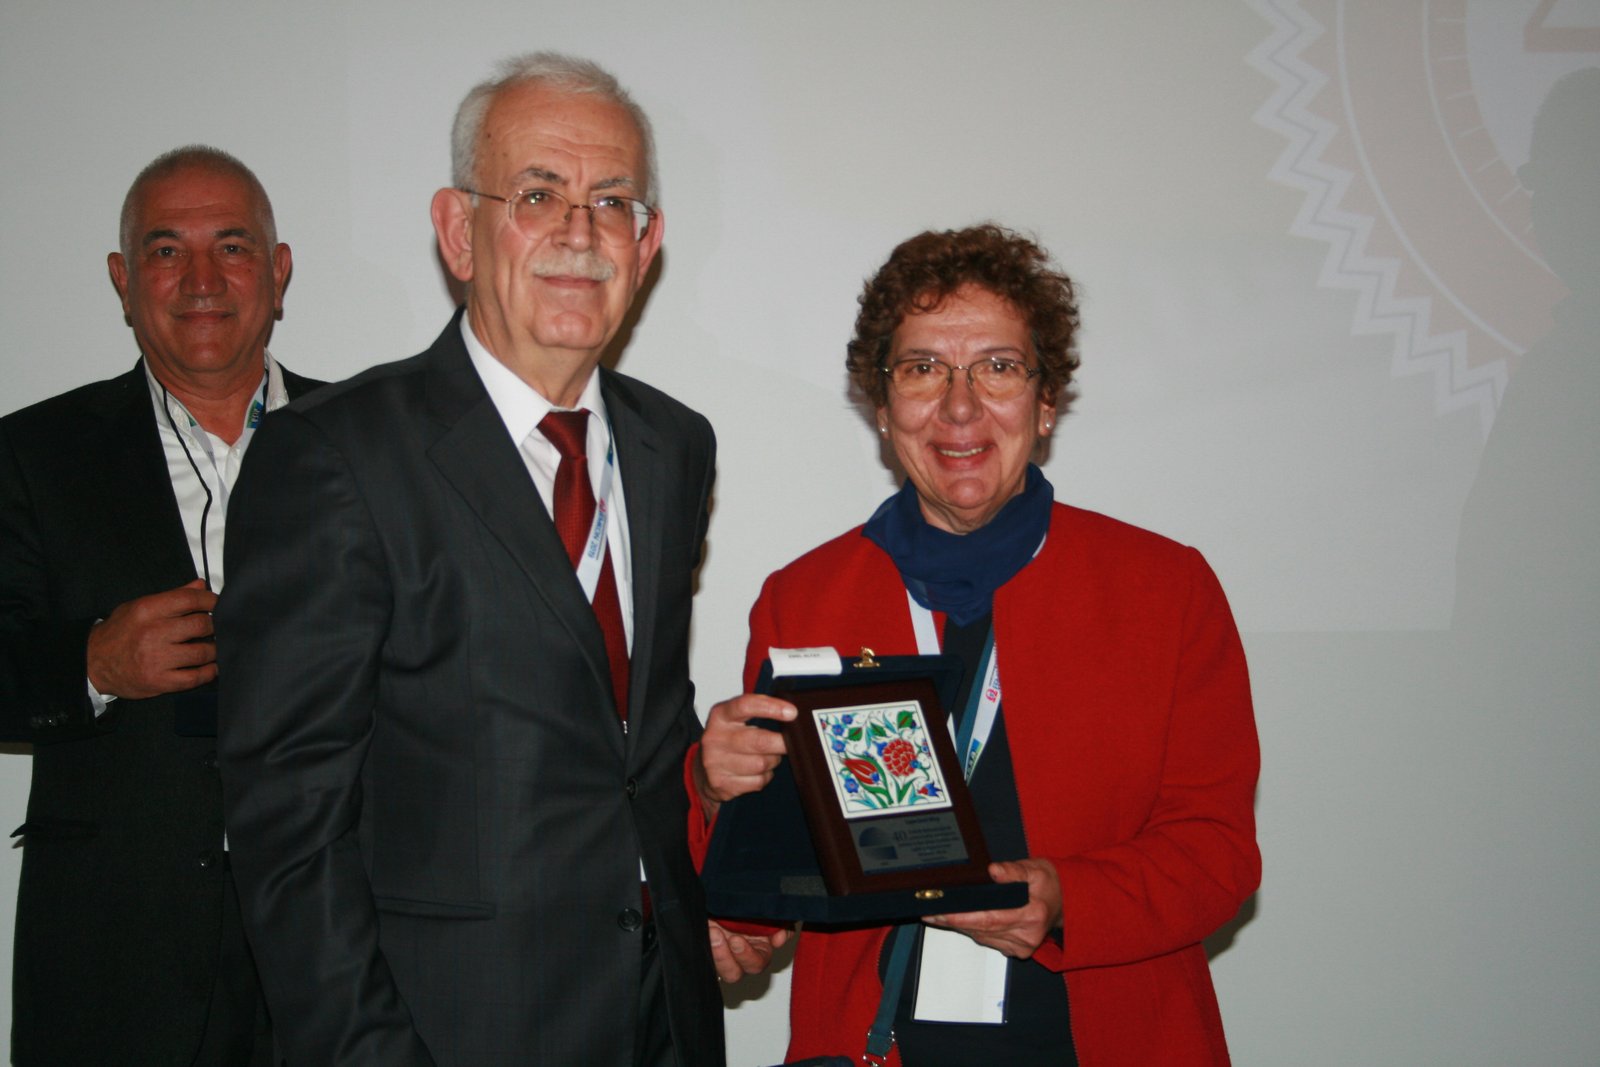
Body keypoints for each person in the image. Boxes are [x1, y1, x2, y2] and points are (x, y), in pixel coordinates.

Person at [216, 53, 772, 1067]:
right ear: (456, 230)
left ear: (647, 243)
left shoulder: (674, 445)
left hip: (664, 1019)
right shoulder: (334, 454)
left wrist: (700, 877)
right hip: (449, 1029)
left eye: (612, 202)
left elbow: (628, 733)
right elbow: (290, 831)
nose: (579, 233)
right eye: (537, 194)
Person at [696, 225, 1260, 1065]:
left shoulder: (1164, 588)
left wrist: (1070, 897)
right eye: (923, 368)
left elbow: (1217, 852)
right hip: (875, 1047)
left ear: (1045, 403)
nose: (960, 407)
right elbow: (773, 869)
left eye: (997, 367)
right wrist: (714, 792)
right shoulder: (805, 597)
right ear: (882, 407)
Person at [0, 145, 318, 1065]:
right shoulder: (31, 455)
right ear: (123, 279)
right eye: (167, 250)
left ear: (278, 271)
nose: (203, 279)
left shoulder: (378, 443)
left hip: (337, 945)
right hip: (113, 955)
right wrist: (91, 663)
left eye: (233, 247)